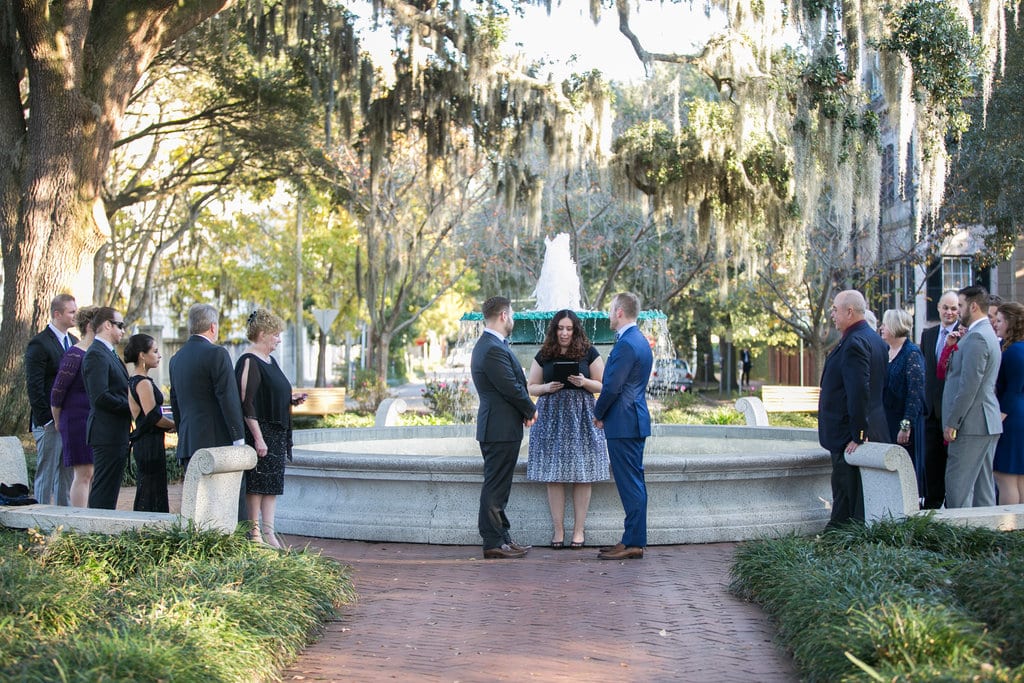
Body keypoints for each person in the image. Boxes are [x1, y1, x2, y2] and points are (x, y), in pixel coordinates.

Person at [526, 310, 608, 549]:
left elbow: (603, 384)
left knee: (583, 475)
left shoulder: (589, 352)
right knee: (554, 475)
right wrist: (547, 388)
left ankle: (579, 532)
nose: (564, 333)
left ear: (575, 330)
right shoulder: (544, 354)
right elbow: (531, 387)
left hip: (581, 415)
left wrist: (584, 383)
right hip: (551, 416)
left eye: (568, 328)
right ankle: (558, 531)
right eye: (560, 328)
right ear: (554, 330)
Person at [470, 296, 537, 560]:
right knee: (495, 487)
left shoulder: (492, 345)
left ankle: (503, 538)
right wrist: (530, 409)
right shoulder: (492, 348)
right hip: (498, 428)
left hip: (501, 426)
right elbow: (510, 386)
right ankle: (493, 542)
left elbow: (510, 385)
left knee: (499, 486)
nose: (514, 319)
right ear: (503, 315)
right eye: (513, 314)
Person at [818, 290, 889, 528]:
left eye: (835, 310)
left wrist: (858, 434)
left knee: (847, 495)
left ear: (849, 311)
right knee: (855, 495)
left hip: (849, 435)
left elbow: (860, 392)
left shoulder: (854, 343)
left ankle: (837, 541)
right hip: (867, 428)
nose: (832, 315)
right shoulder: (873, 338)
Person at [235, 310, 306, 547]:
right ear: (263, 334)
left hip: (276, 433)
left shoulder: (270, 360)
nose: (278, 339)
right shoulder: (249, 360)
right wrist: (258, 438)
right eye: (275, 335)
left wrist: (291, 399)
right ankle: (255, 534)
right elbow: (247, 402)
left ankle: (269, 532)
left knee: (272, 486)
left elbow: (272, 393)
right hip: (261, 433)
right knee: (257, 484)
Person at [169, 303, 246, 518]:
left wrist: (182, 433)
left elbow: (175, 402)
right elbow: (227, 398)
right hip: (217, 441)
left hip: (189, 441)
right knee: (226, 504)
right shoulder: (217, 354)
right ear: (213, 327)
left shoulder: (176, 359)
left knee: (197, 507)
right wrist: (238, 438)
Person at [593, 292, 654, 560]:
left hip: (624, 422)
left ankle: (633, 543)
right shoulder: (638, 340)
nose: (608, 314)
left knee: (630, 484)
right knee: (634, 482)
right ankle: (631, 539)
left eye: (610, 309)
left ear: (619, 311)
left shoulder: (627, 344)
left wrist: (598, 413)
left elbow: (612, 386)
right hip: (633, 420)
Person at [942, 285, 1002, 508]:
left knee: (958, 488)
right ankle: (988, 542)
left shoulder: (977, 337)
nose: (957, 311)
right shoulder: (985, 333)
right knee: (982, 491)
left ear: (974, 306)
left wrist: (952, 422)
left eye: (961, 306)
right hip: (983, 423)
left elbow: (969, 386)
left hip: (972, 424)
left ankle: (960, 541)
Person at [25, 293, 77, 505]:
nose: (75, 315)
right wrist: (47, 419)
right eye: (71, 312)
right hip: (48, 421)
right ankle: (39, 519)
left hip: (69, 420)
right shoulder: (39, 343)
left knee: (67, 473)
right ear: (57, 314)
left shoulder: (73, 342)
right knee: (46, 472)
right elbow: (34, 386)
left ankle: (63, 520)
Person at [83, 307, 131, 510]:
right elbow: (100, 396)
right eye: (120, 325)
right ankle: (95, 534)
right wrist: (131, 406)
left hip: (115, 432)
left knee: (109, 490)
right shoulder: (96, 354)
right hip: (106, 433)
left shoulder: (108, 353)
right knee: (104, 490)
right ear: (107, 325)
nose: (123, 331)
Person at [50, 306, 98, 507]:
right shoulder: (74, 354)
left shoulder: (97, 353)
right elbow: (57, 392)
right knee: (83, 473)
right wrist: (58, 421)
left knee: (92, 473)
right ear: (89, 326)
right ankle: (79, 521)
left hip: (92, 420)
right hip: (76, 421)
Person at [879, 309, 926, 499]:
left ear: (895, 326)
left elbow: (915, 393)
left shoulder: (912, 353)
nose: (881, 328)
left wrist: (905, 426)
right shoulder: (886, 350)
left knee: (906, 468)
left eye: (885, 324)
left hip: (904, 421)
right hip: (887, 419)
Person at [919, 290, 960, 508]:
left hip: (952, 412)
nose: (949, 312)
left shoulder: (965, 335)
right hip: (931, 413)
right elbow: (928, 373)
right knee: (931, 463)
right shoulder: (928, 335)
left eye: (954, 308)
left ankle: (953, 509)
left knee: (951, 465)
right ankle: (932, 508)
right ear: (938, 308)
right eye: (946, 307)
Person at [125, 334, 175, 513]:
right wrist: (174, 425)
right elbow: (153, 416)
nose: (159, 355)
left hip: (150, 442)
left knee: (152, 488)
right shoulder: (142, 382)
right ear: (142, 355)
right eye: (154, 351)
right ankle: (147, 531)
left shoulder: (137, 380)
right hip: (148, 443)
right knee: (150, 490)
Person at [992, 301, 1024, 504]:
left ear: (1011, 322)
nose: (995, 324)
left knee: (1006, 479)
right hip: (1020, 416)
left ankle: (1008, 529)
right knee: (1020, 480)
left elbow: (1012, 390)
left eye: (1000, 320)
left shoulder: (1012, 352)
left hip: (1012, 419)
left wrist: (999, 420)